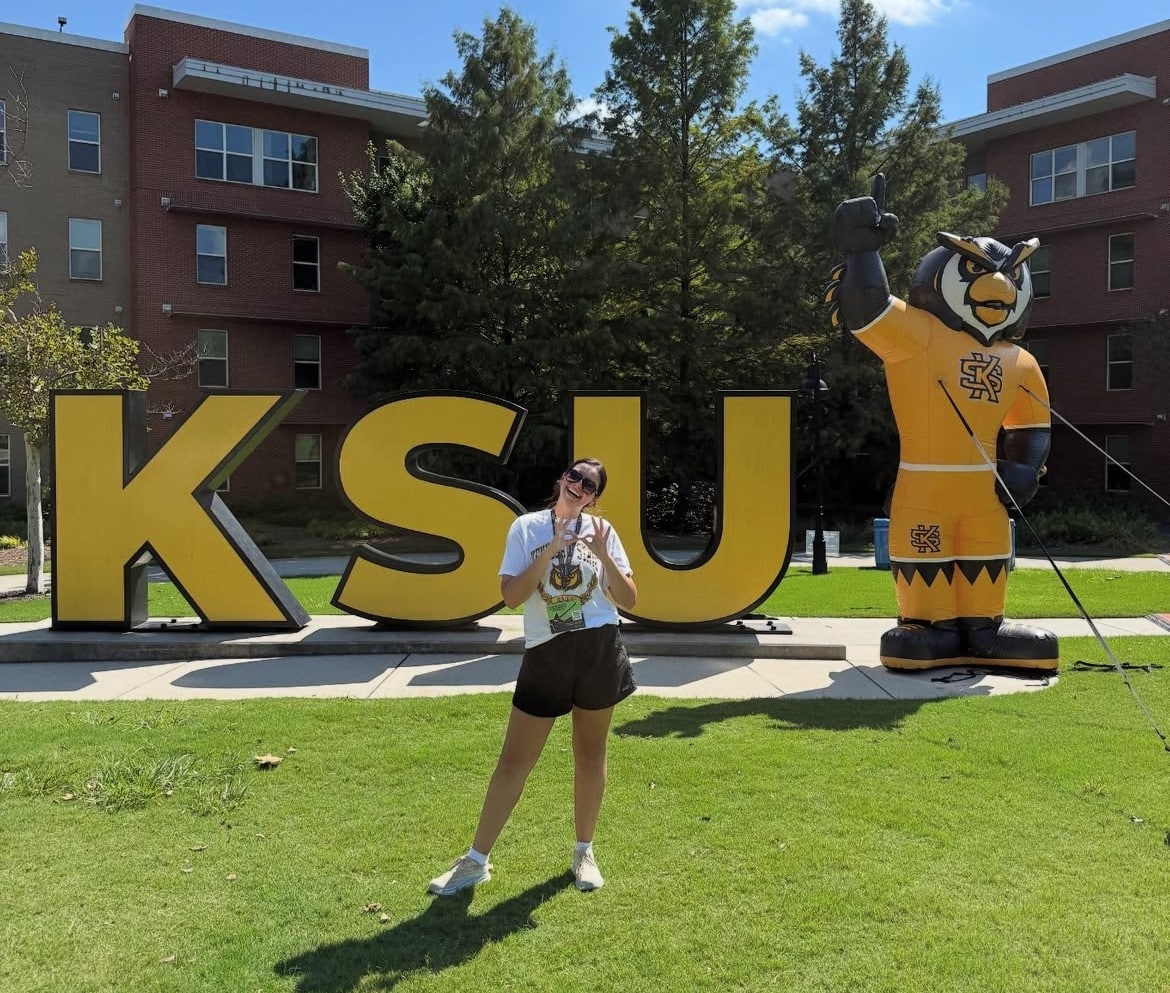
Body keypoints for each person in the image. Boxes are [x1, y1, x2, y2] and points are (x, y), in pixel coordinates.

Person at [428, 458, 638, 896]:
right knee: (514, 759)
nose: (578, 485)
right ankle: (475, 861)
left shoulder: (604, 532)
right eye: (574, 476)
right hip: (547, 651)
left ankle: (584, 852)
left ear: (595, 497)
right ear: (561, 480)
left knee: (590, 755)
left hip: (599, 648)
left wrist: (600, 553)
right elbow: (510, 596)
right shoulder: (526, 528)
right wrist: (551, 548)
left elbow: (630, 599)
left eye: (589, 484)